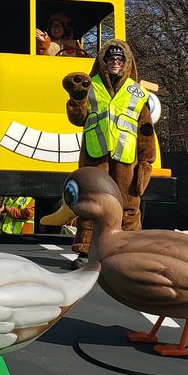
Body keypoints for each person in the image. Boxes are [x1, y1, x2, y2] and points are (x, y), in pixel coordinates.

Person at [63, 39, 156, 253]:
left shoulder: (137, 92)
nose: (115, 62)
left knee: (129, 207)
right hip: (95, 157)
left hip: (126, 160)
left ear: (127, 62)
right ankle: (85, 248)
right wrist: (77, 99)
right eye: (111, 58)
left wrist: (145, 163)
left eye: (120, 59)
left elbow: (146, 131)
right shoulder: (89, 85)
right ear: (103, 61)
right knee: (90, 204)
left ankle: (129, 252)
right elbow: (78, 119)